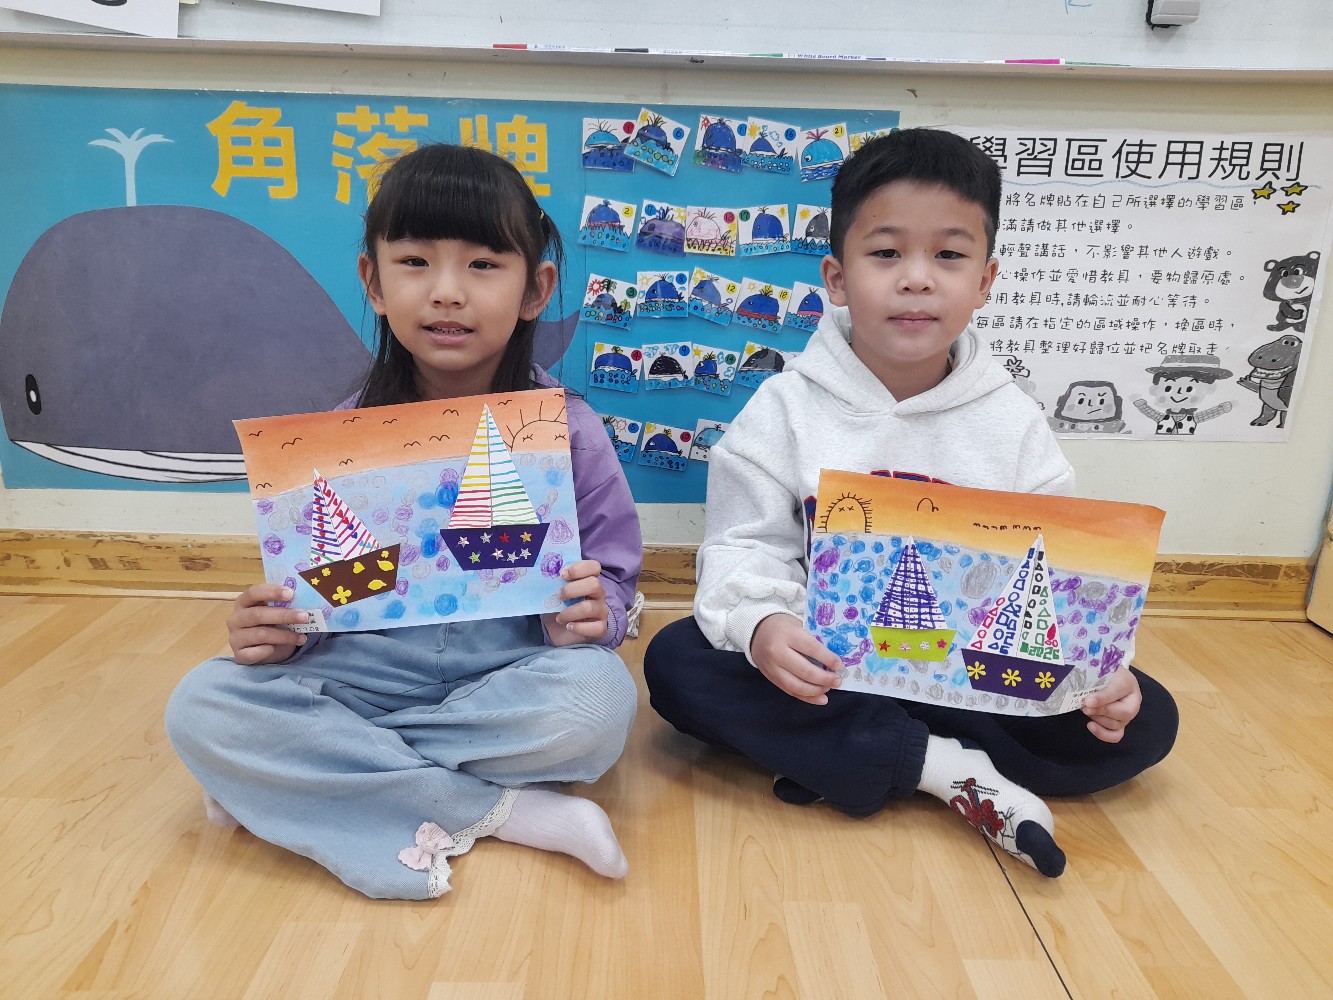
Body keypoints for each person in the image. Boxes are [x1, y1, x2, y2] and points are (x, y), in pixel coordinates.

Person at [643, 128, 1178, 878]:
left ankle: (866, 754)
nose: (917, 279)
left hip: (967, 681)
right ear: (837, 277)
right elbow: (743, 544)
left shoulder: (1012, 422)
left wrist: (1098, 675)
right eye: (887, 253)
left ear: (985, 281)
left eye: (948, 256)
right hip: (827, 671)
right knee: (677, 662)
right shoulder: (783, 408)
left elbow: (1057, 573)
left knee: (1146, 717)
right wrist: (764, 625)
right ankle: (943, 769)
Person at [166, 144, 642, 900]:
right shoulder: (335, 440)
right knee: (202, 706)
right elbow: (315, 595)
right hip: (366, 674)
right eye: (415, 262)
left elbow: (615, 578)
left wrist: (595, 612)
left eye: (483, 265)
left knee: (598, 704)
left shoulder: (569, 431)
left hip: (508, 674)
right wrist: (277, 630)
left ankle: (311, 776)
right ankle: (507, 811)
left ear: (535, 289)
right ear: (373, 282)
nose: (447, 292)